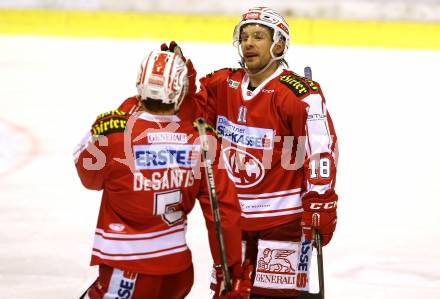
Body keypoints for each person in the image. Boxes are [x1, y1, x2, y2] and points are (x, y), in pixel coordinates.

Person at [164, 6, 339, 298]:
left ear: (279, 44)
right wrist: (181, 83)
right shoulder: (223, 84)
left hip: (283, 221)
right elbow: (190, 116)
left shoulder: (298, 94)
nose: (248, 43)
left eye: (258, 36)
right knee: (230, 293)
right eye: (244, 37)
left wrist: (320, 200)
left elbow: (321, 150)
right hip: (233, 221)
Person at [73, 50, 251, 299]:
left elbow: (89, 178)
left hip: (129, 268)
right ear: (180, 91)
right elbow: (224, 212)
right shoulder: (203, 139)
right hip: (178, 273)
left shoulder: (114, 133)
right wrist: (230, 275)